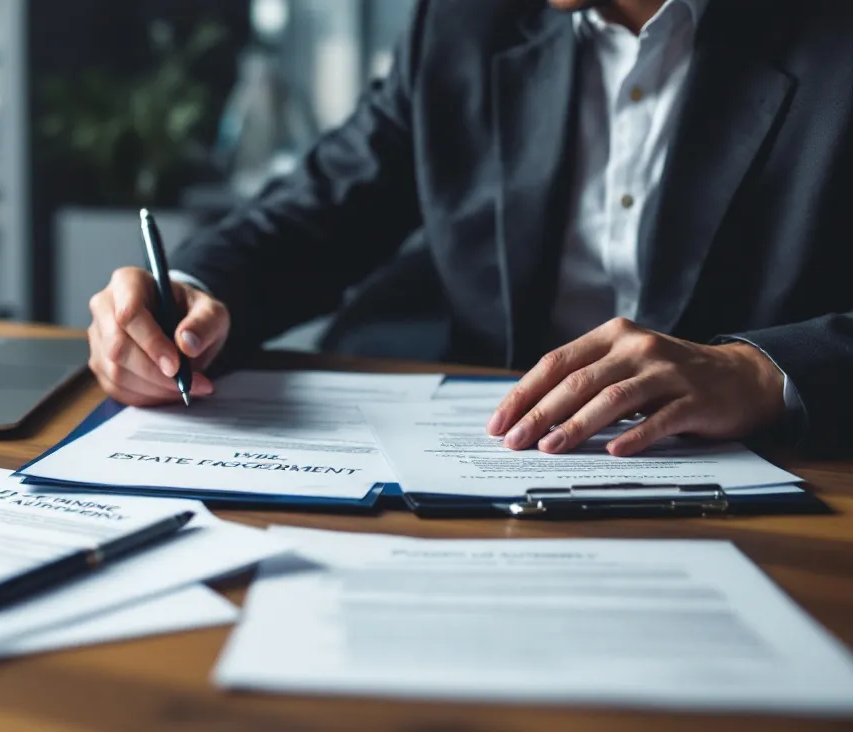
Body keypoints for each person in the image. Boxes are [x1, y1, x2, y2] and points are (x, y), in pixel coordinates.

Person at [86, 0, 853, 456]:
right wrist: (182, 295)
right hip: (490, 467)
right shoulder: (466, 19)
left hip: (787, 479)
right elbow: (320, 208)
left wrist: (762, 373)